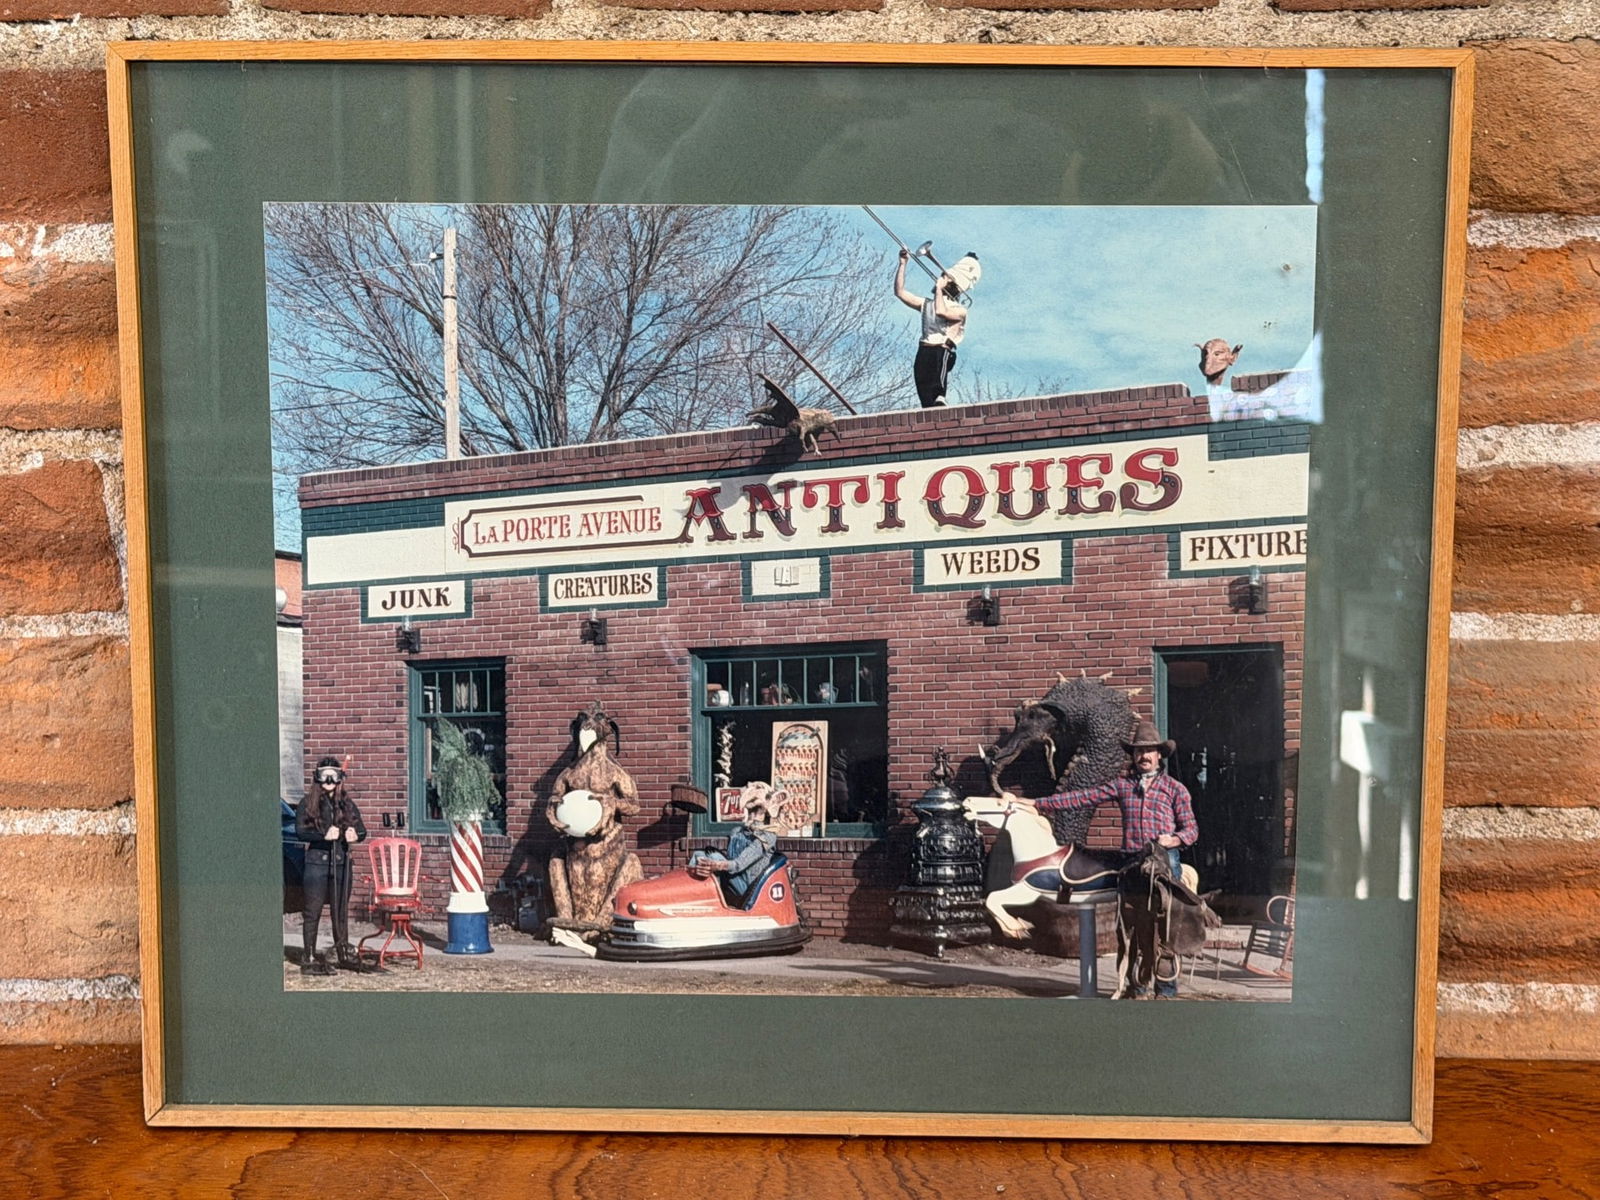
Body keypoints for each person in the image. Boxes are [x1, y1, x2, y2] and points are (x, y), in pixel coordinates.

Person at [1003, 719, 1197, 997]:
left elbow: (1191, 829)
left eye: (1149, 751)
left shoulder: (1176, 790)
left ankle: (1166, 988)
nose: (1144, 756)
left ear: (1159, 755)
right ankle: (1137, 985)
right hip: (1132, 862)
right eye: (1139, 751)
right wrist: (1037, 803)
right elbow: (1082, 797)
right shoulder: (1122, 786)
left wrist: (1174, 839)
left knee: (1164, 926)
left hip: (1165, 861)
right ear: (1133, 755)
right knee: (1133, 926)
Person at [295, 756, 368, 975]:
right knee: (312, 912)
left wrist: (356, 834)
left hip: (341, 863)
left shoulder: (346, 804)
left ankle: (342, 952)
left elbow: (362, 830)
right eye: (324, 775)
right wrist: (322, 835)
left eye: (333, 775)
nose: (329, 780)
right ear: (317, 777)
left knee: (340, 911)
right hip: (316, 865)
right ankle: (308, 956)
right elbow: (300, 832)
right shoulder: (306, 803)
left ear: (339, 778)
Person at [894, 249, 980, 408]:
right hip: (924, 349)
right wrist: (902, 264)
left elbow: (941, 311)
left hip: (942, 349)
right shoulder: (926, 304)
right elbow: (900, 293)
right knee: (923, 389)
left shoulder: (960, 310)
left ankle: (940, 399)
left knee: (937, 391)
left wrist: (939, 289)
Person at [687, 786, 781, 904]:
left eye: (756, 810)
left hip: (749, 889)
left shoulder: (767, 836)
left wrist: (716, 865)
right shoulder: (737, 831)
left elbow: (738, 864)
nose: (753, 815)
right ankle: (693, 895)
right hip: (734, 879)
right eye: (751, 810)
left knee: (714, 858)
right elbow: (731, 859)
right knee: (699, 854)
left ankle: (706, 900)